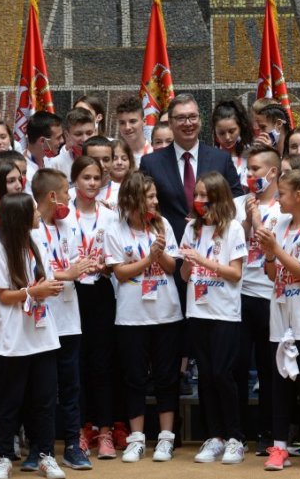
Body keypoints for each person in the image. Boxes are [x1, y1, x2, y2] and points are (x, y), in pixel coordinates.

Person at [104, 171, 183, 464]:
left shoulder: (162, 224)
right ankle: (137, 439)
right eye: (150, 196)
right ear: (134, 198)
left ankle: (166, 438)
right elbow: (120, 273)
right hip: (131, 316)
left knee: (166, 377)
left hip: (166, 313)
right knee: (134, 378)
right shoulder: (115, 230)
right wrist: (148, 259)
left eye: (155, 195)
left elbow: (173, 267)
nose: (155, 201)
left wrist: (159, 254)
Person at [0, 192, 65, 479]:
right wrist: (33, 291)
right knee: (11, 401)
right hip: (13, 338)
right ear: (19, 216)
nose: (39, 213)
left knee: (44, 400)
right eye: (33, 210)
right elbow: (4, 296)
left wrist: (47, 289)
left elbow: (46, 280)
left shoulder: (37, 242)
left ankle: (46, 455)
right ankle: (4, 457)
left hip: (42, 334)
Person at [256, 166, 300, 473]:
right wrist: (269, 254)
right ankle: (279, 448)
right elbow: (273, 274)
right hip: (280, 315)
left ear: (299, 195)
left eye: (282, 194)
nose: (277, 199)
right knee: (280, 387)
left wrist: (275, 248)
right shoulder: (280, 223)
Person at [49, 163, 120, 459]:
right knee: (74, 365)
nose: (91, 183)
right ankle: (77, 431)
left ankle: (104, 432)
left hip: (101, 290)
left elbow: (118, 256)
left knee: (102, 364)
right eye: (85, 178)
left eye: (96, 178)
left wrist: (107, 266)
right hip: (71, 291)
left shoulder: (110, 215)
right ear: (74, 181)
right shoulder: (63, 215)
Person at [179, 172, 247, 465]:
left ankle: (235, 438)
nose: (199, 200)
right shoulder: (191, 229)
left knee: (222, 373)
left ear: (219, 197)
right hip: (197, 310)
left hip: (224, 313)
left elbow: (235, 273)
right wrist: (187, 262)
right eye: (197, 195)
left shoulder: (233, 228)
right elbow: (185, 275)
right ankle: (215, 437)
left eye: (205, 195)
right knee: (206, 375)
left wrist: (202, 260)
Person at [32, 167, 97, 471]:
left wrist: (83, 267)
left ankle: (72, 444)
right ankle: (39, 447)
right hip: (40, 318)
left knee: (71, 386)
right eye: (65, 194)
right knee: (41, 388)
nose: (69, 199)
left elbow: (74, 262)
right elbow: (29, 270)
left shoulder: (69, 224)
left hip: (69, 316)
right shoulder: (29, 227)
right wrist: (68, 272)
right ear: (51, 196)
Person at [139, 93, 244, 246]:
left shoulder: (221, 159)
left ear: (200, 120)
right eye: (181, 118)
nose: (188, 123)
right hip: (167, 248)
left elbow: (237, 200)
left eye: (193, 117)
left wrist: (212, 214)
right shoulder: (151, 163)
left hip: (214, 247)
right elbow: (142, 203)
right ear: (170, 123)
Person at [233, 143, 282, 457]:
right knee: (237, 366)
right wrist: (248, 220)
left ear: (272, 172)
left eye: (255, 169)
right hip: (239, 294)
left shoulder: (284, 207)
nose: (249, 175)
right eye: (247, 169)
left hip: (270, 295)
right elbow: (230, 242)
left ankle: (269, 433)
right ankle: (236, 435)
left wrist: (258, 219)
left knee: (269, 369)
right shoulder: (237, 204)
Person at [212, 100, 253, 191]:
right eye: (221, 133)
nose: (227, 137)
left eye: (231, 131)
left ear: (240, 128)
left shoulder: (252, 155)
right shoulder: (210, 157)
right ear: (215, 133)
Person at [49, 109, 96, 180]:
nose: (85, 139)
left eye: (89, 133)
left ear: (95, 132)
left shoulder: (104, 161)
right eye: (78, 134)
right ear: (67, 135)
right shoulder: (55, 165)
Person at [73, 137, 119, 209]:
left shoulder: (122, 193)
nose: (101, 165)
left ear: (112, 161)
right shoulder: (71, 195)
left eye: (106, 160)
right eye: (95, 160)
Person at [23, 111, 63, 186]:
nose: (62, 141)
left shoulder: (48, 160)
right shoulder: (26, 173)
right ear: (42, 141)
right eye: (58, 138)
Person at [115, 97, 152, 163]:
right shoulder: (112, 153)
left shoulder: (154, 153)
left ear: (144, 121)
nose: (127, 127)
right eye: (122, 123)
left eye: (132, 121)